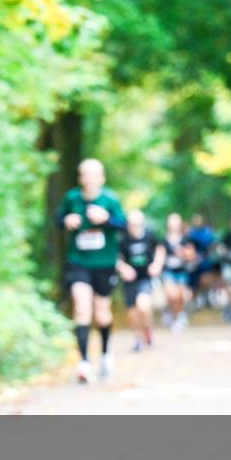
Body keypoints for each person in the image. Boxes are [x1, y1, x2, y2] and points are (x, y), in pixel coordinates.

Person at [57, 159, 127, 383]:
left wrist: (107, 219)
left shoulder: (110, 199)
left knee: (102, 314)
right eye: (85, 174)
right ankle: (84, 362)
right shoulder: (72, 198)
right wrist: (67, 220)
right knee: (82, 308)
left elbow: (124, 225)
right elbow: (57, 219)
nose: (89, 179)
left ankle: (106, 355)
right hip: (79, 262)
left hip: (104, 264)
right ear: (80, 178)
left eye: (93, 174)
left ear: (102, 178)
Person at [117, 210, 165, 352]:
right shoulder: (123, 239)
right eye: (132, 224)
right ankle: (137, 338)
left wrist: (157, 264)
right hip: (130, 280)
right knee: (133, 312)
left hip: (145, 277)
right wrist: (124, 268)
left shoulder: (150, 235)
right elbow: (116, 259)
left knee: (143, 305)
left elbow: (160, 249)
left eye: (138, 224)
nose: (135, 227)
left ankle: (148, 331)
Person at [161, 213, 193, 332]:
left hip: (181, 271)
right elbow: (160, 255)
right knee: (171, 295)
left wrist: (184, 253)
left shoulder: (185, 239)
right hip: (168, 271)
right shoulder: (164, 240)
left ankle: (178, 316)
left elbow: (192, 255)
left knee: (179, 296)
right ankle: (172, 314)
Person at [186, 213, 218, 308]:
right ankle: (195, 300)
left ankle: (206, 296)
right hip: (193, 260)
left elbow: (212, 244)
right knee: (193, 281)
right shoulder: (191, 232)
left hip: (205, 260)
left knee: (205, 279)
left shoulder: (207, 232)